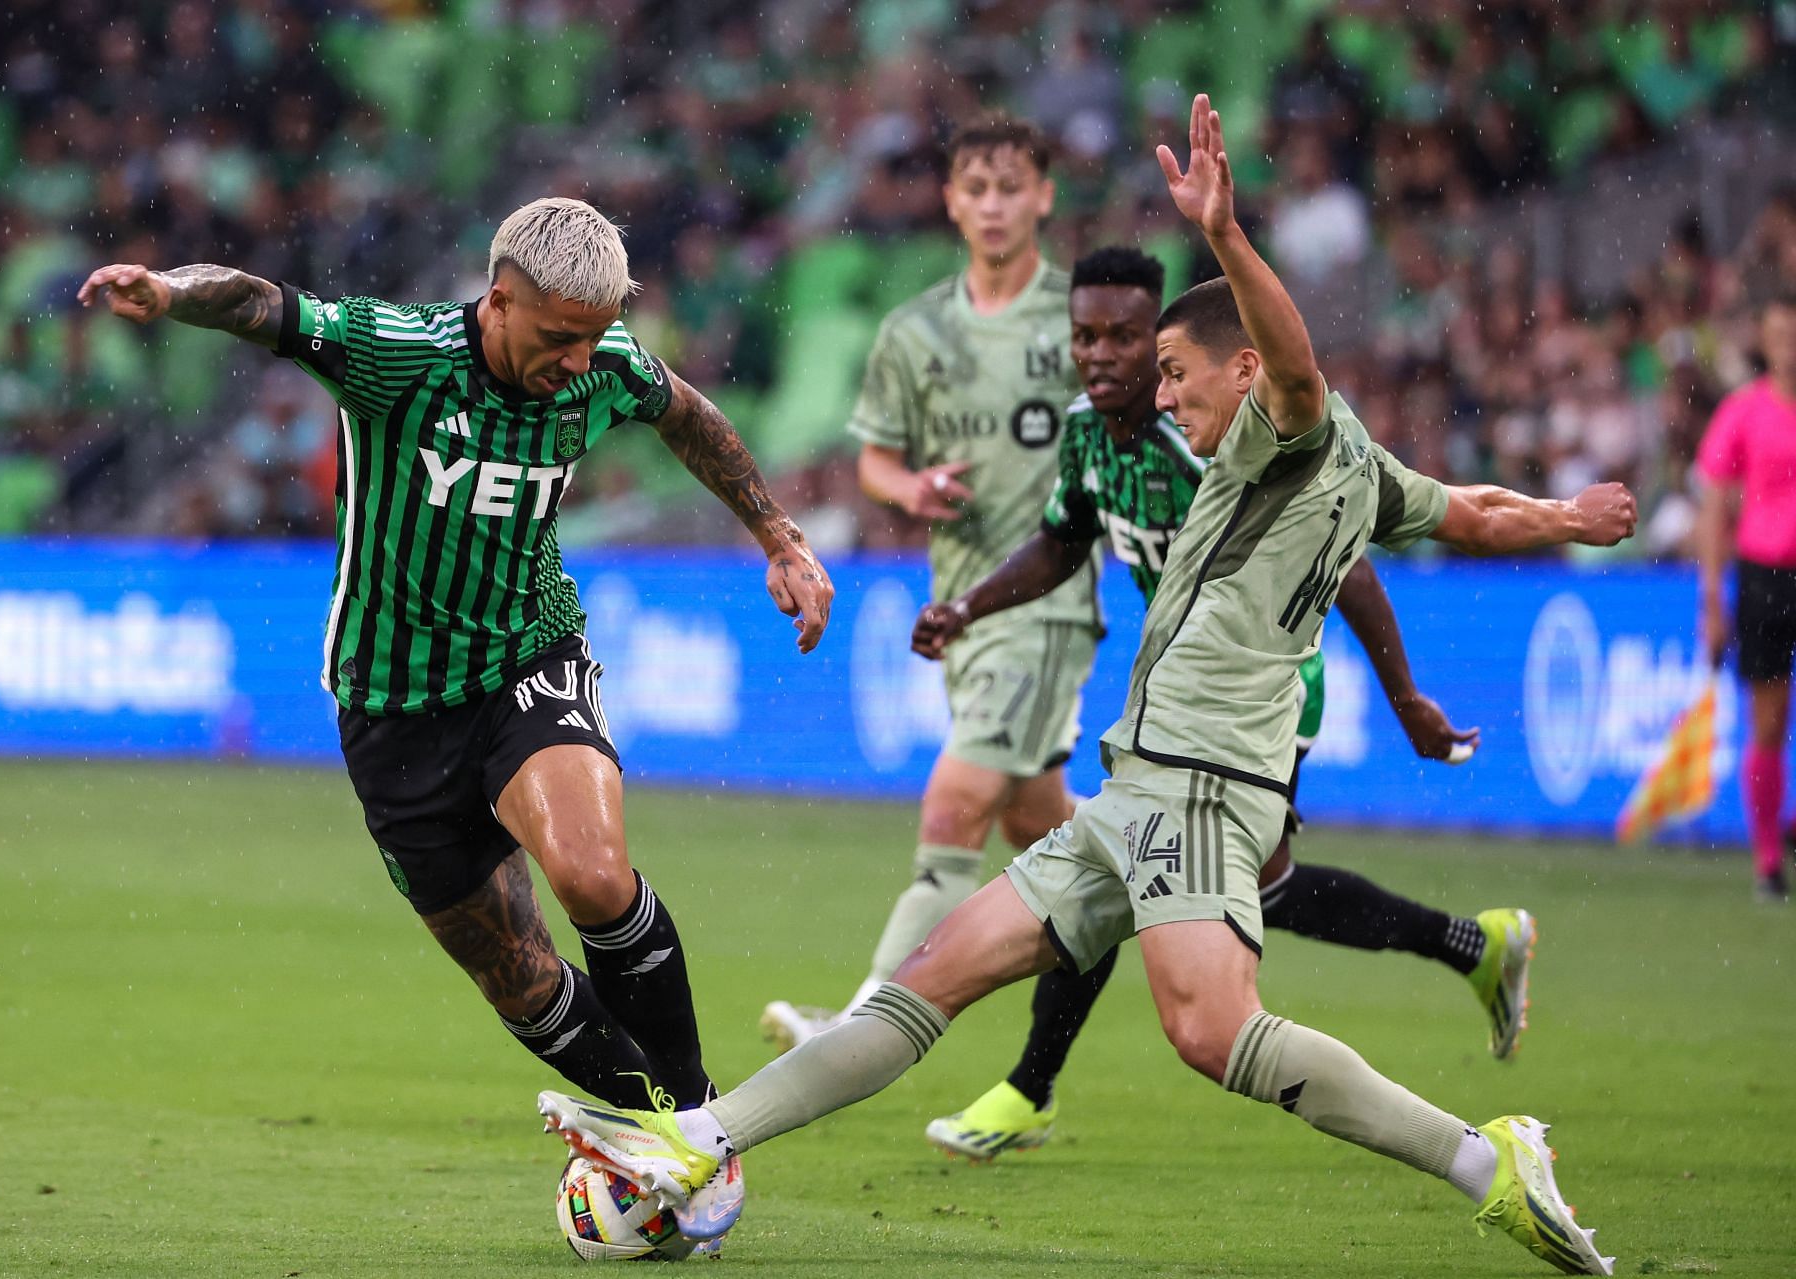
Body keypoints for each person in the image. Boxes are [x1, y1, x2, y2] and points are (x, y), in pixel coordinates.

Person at [538, 97, 1633, 1276]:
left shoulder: (1290, 427)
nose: (1162, 397)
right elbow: (1472, 510)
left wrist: (1224, 235)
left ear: (1250, 372)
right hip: (1137, 789)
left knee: (1214, 1033)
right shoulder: (1362, 466)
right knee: (930, 976)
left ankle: (1488, 1159)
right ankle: (698, 1141)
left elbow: (1301, 365)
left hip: (1209, 790)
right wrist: (1568, 517)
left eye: (1175, 372)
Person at [77, 197, 835, 1243]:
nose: (580, 359)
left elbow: (689, 415)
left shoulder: (605, 360)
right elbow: (265, 304)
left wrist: (779, 537)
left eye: (595, 335)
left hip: (527, 658)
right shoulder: (397, 355)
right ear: (501, 297)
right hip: (390, 711)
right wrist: (168, 293)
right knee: (519, 980)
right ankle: (660, 1129)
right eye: (560, 336)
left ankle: (699, 1121)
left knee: (590, 873)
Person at [914, 244, 1530, 1163]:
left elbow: (1346, 554)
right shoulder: (1089, 433)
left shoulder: (1209, 433)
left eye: (1126, 336)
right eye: (1085, 335)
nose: (1102, 355)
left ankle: (1028, 1088)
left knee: (1139, 868)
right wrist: (969, 606)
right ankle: (1471, 944)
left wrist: (1404, 695)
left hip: (1266, 687)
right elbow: (1060, 541)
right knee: (1237, 883)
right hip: (1176, 697)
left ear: (1169, 342)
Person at [762, 114, 1099, 1050]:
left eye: (1010, 188)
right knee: (1051, 834)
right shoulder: (916, 332)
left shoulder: (1087, 323)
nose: (992, 206)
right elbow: (875, 461)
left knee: (955, 804)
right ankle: (1169, 896)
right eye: (975, 189)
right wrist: (914, 486)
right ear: (951, 202)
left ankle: (862, 1019)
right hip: (959, 604)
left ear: (1043, 197)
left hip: (1050, 604)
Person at [1696, 289, 1796, 903]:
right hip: (1765, 577)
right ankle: (1766, 860)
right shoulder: (1743, 411)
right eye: (1780, 332)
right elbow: (1714, 506)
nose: (1788, 343)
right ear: (1764, 340)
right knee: (1769, 719)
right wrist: (1711, 597)